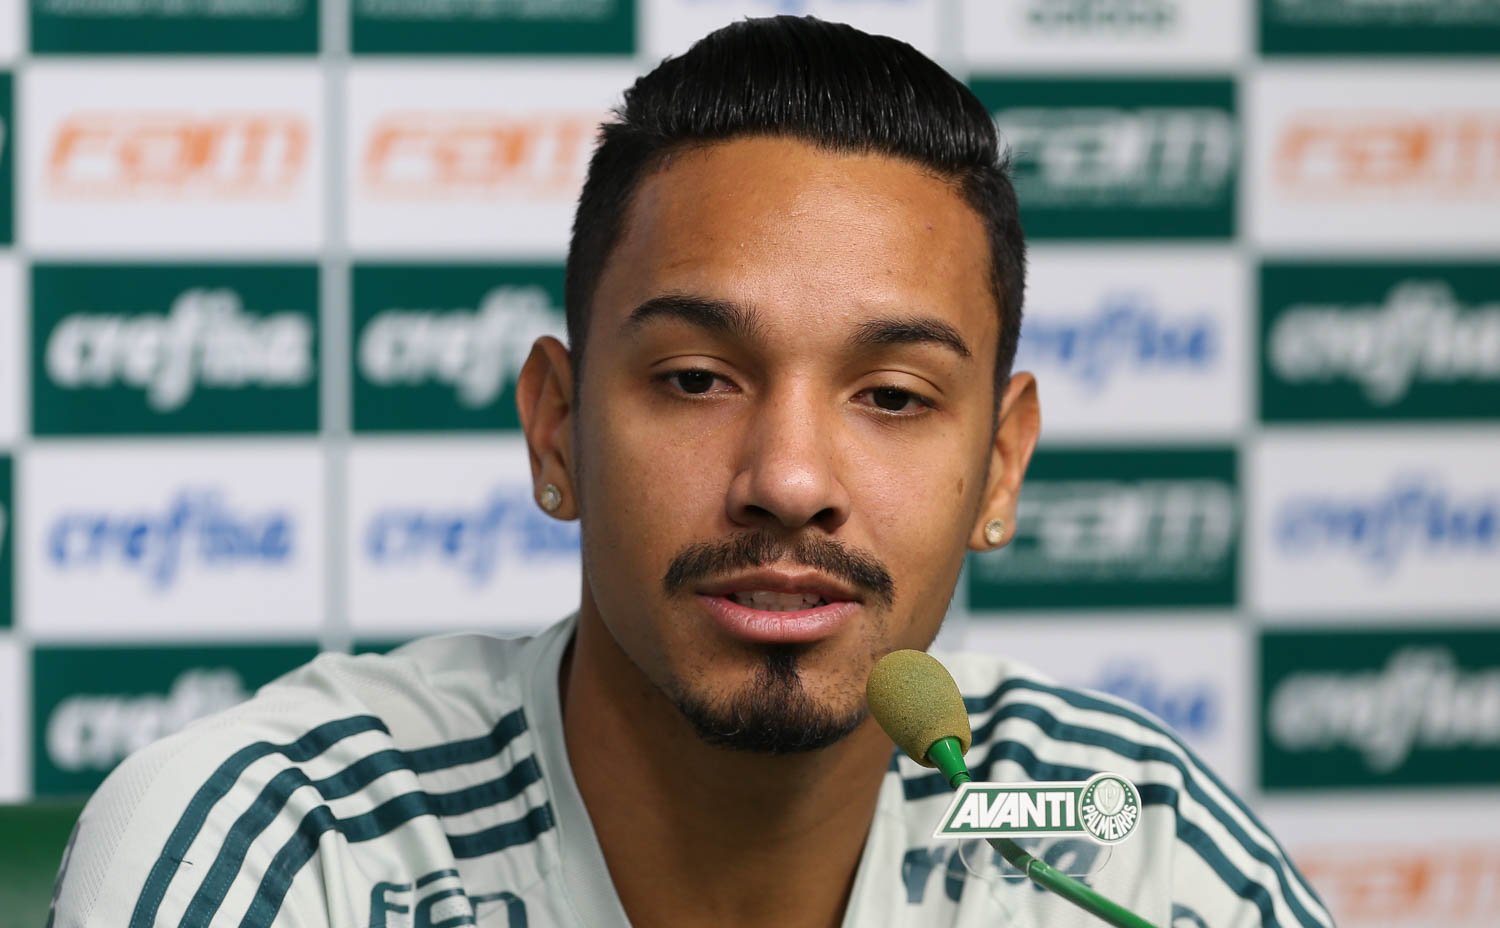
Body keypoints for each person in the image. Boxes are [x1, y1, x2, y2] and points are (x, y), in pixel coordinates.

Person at [48, 16, 1332, 928]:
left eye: (892, 396)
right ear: (557, 430)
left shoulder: (1119, 832)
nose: (789, 477)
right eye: (698, 379)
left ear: (999, 469)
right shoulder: (292, 846)